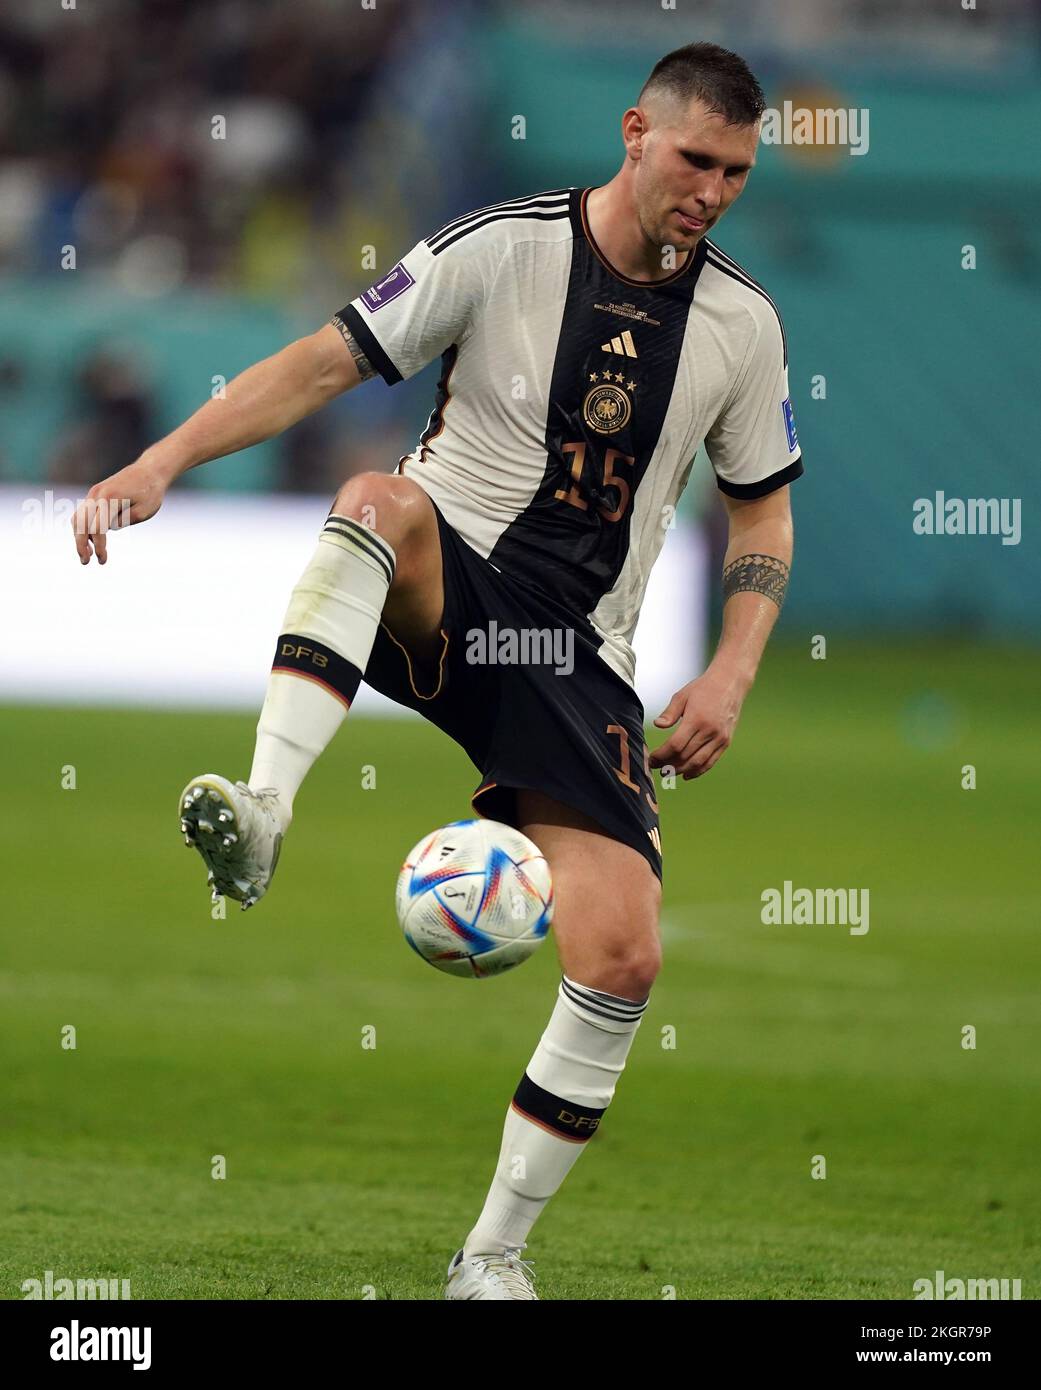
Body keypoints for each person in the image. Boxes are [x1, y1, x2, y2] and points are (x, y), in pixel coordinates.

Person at [73, 42, 802, 1301]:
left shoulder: (742, 325)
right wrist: (164, 460)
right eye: (695, 159)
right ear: (635, 132)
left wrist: (732, 671)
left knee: (623, 956)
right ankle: (265, 812)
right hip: (451, 578)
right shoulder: (502, 246)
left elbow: (762, 520)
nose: (713, 190)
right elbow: (319, 363)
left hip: (579, 662)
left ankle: (490, 1257)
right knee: (376, 495)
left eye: (736, 170)